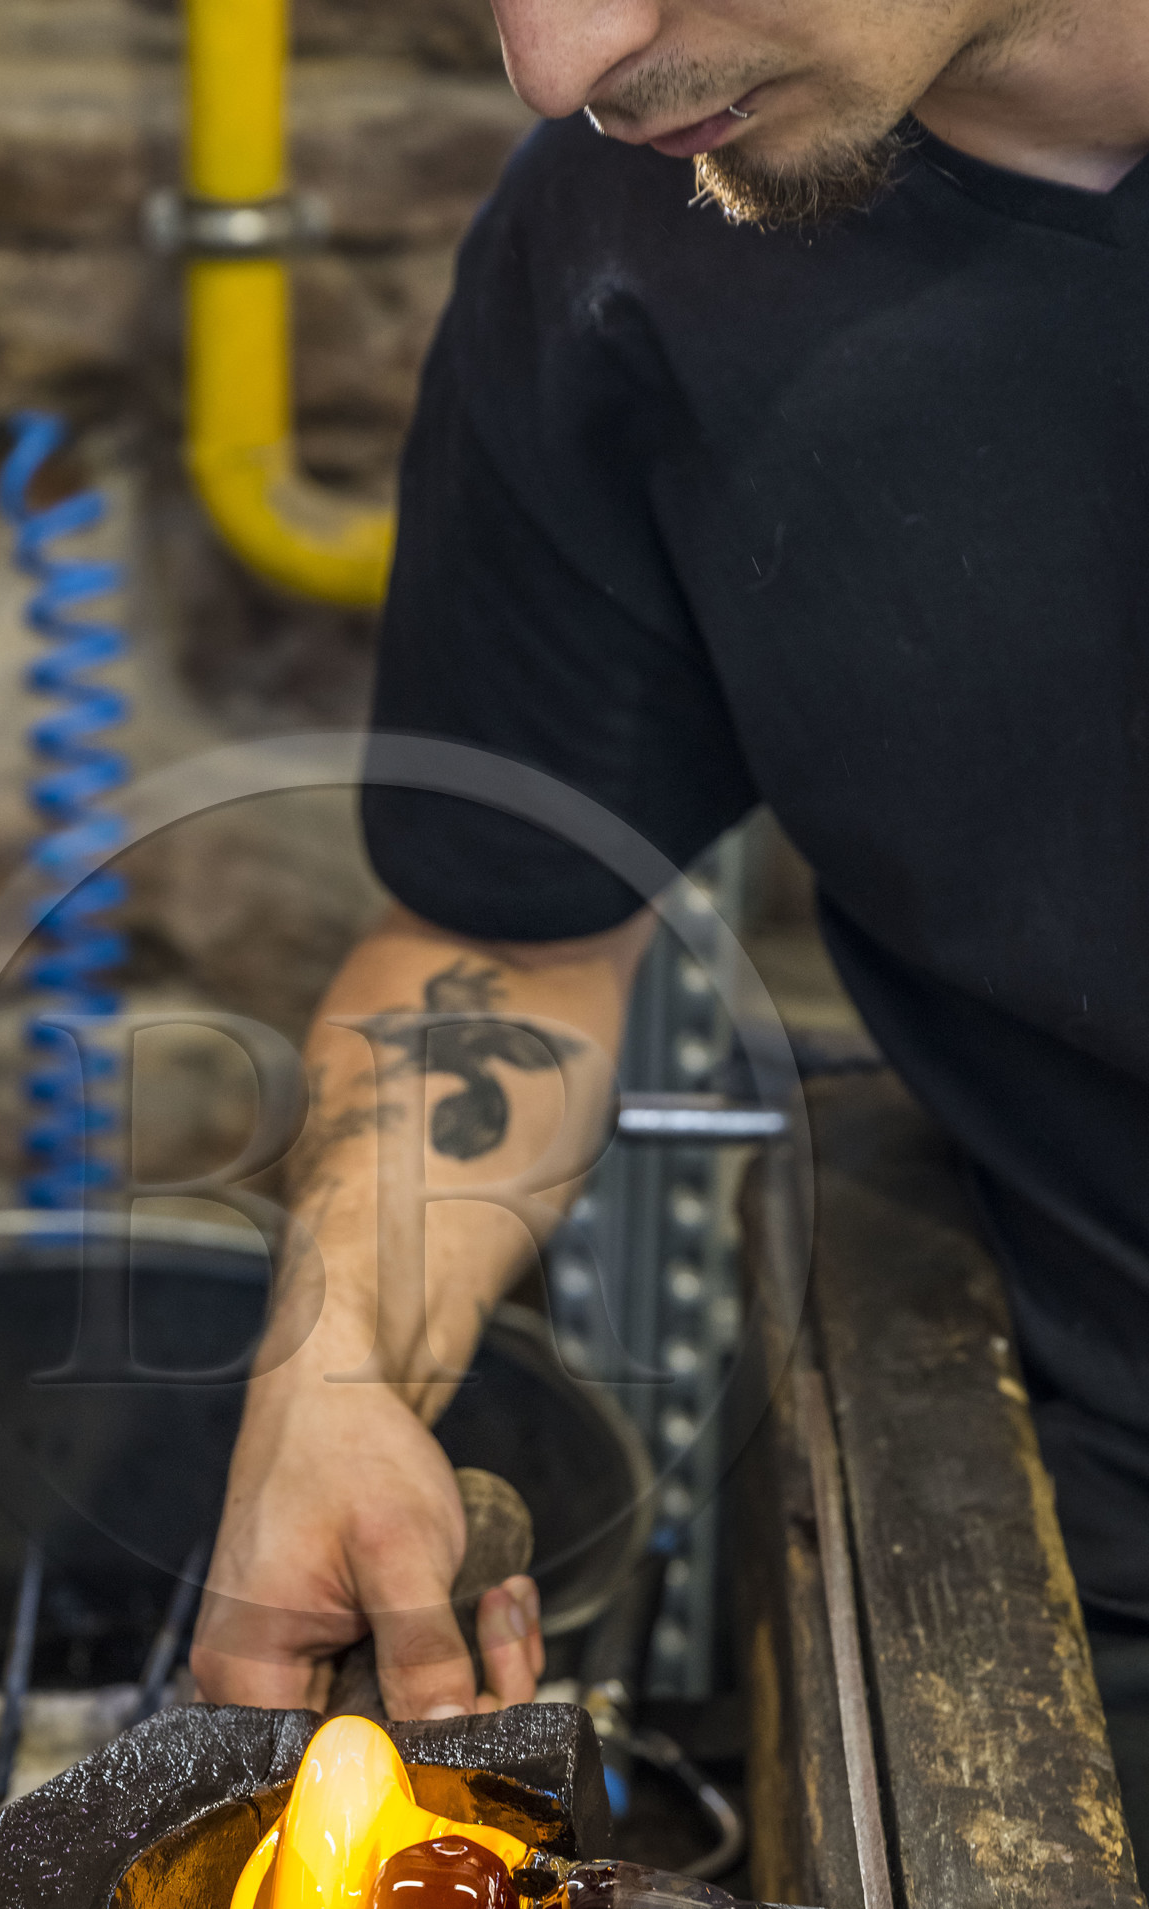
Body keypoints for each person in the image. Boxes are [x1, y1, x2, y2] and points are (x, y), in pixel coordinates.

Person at [191, 0, 1149, 1718]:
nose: (560, 66)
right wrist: (331, 1376)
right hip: (1097, 1541)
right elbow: (508, 942)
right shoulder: (623, 236)